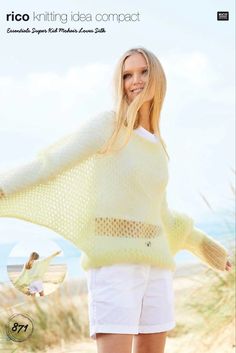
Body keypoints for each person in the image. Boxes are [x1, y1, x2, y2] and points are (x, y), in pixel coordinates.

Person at [0, 47, 232, 353]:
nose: (135, 81)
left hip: (157, 267)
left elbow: (160, 217)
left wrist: (207, 248)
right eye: (127, 75)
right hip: (114, 266)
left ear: (157, 78)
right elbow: (50, 165)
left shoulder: (158, 147)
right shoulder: (109, 127)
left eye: (143, 72)